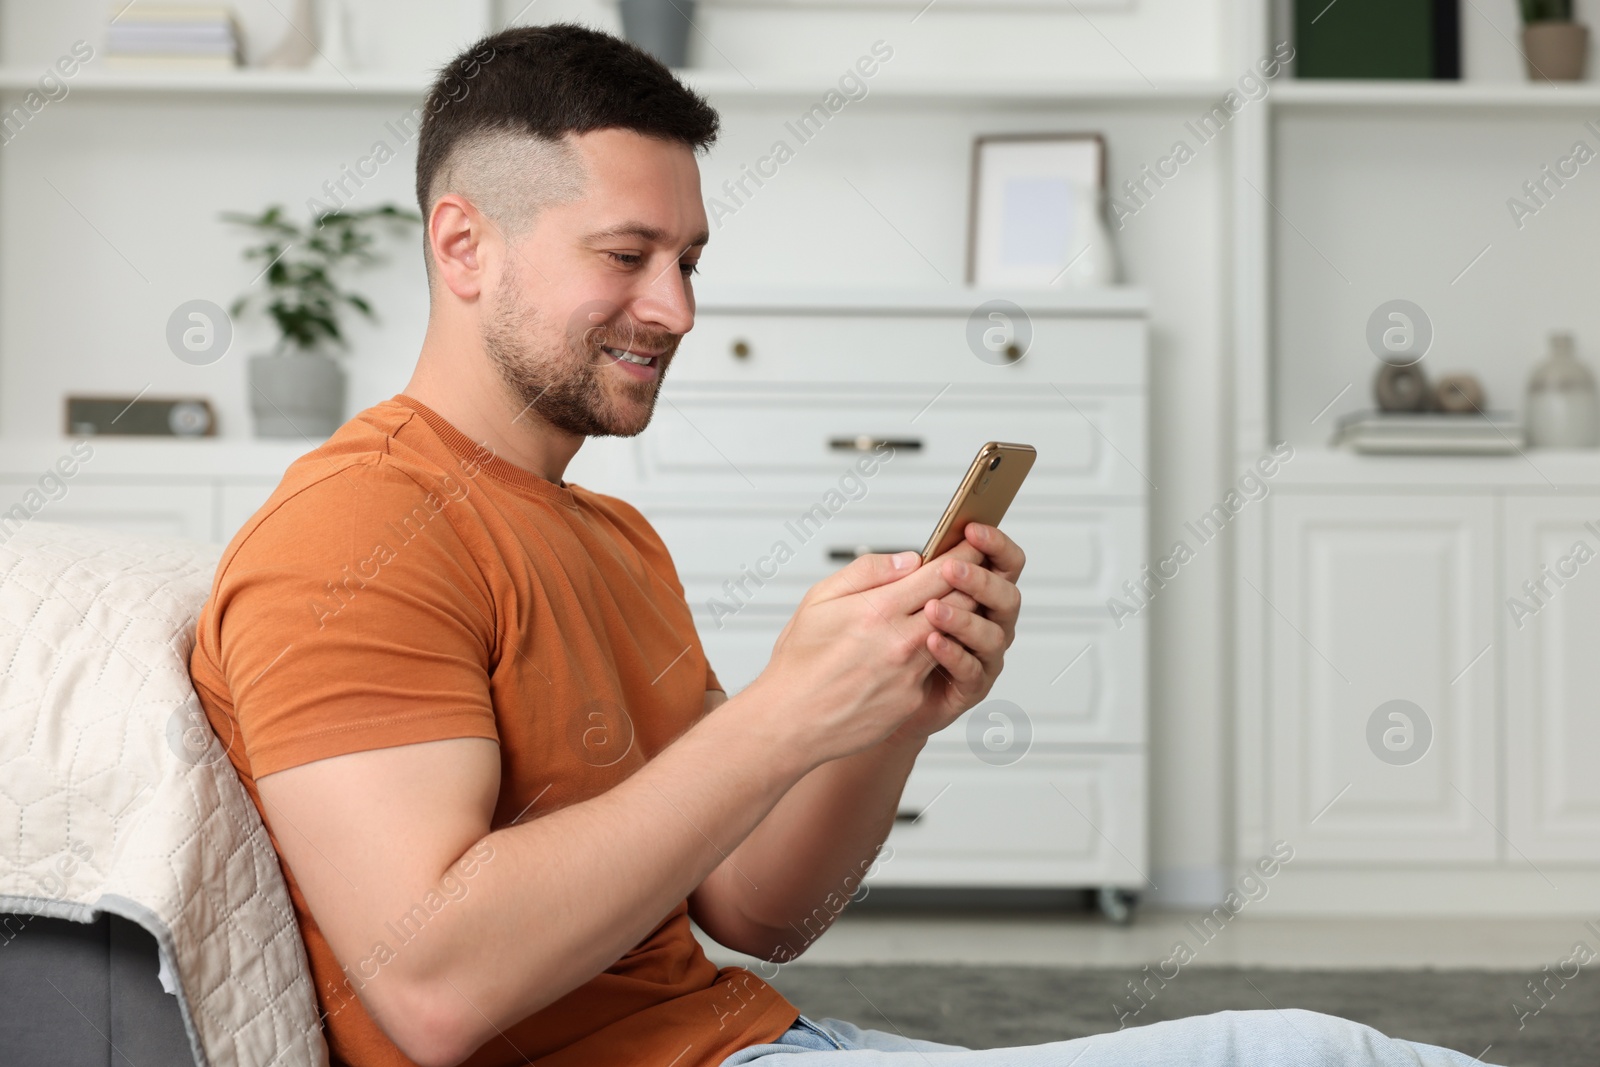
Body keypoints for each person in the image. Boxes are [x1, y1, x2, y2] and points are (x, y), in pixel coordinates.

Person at [189, 23, 1500, 1067]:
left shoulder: (611, 539)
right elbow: (431, 987)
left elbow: (759, 913)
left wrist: (887, 718)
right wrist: (778, 713)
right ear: (464, 244)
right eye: (629, 254)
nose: (677, 308)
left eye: (691, 259)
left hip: (763, 1040)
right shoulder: (353, 532)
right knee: (1319, 1057)